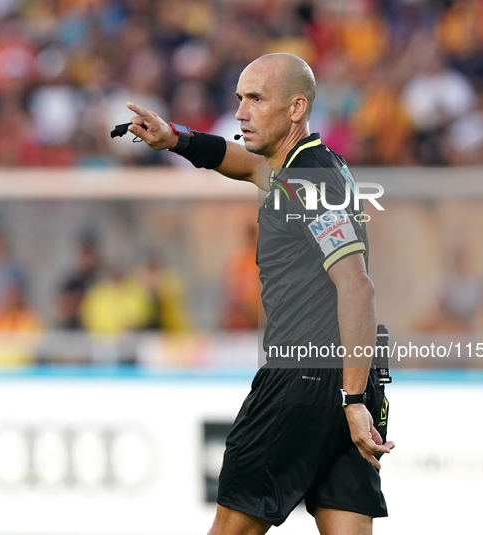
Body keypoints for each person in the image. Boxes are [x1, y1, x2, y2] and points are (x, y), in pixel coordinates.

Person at [124, 53, 394, 535]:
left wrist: (351, 399)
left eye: (255, 99)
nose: (240, 112)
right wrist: (176, 139)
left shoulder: (308, 178)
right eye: (239, 99)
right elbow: (245, 164)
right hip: (355, 377)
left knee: (232, 529)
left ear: (295, 108)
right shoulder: (307, 166)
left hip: (303, 378)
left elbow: (356, 285)